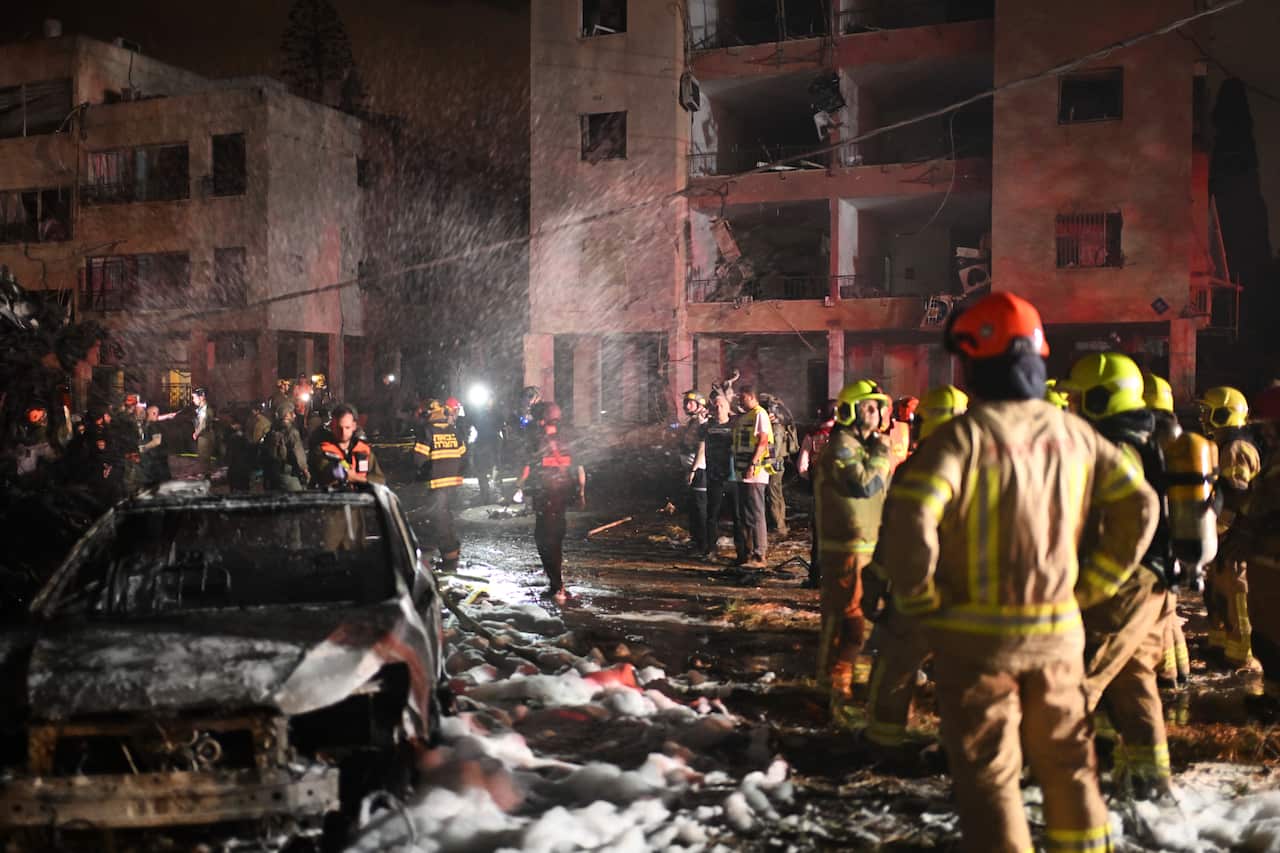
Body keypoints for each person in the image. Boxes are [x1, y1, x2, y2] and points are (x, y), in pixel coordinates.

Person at [871, 292, 1157, 853]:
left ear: (973, 362)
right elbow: (1141, 506)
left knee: (990, 776)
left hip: (978, 645)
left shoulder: (962, 437)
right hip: (1059, 635)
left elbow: (912, 516)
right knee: (1071, 764)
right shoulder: (1076, 433)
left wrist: (921, 599)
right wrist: (1095, 584)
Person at [1061, 352, 1177, 799]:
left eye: (1079, 398)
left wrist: (1097, 582)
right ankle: (1152, 781)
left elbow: (1136, 516)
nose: (1072, 407)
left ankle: (1055, 782)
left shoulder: (1116, 448)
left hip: (1125, 585)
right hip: (1151, 581)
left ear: (1101, 399)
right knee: (1133, 681)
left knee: (1075, 680)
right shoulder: (1143, 438)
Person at [862, 384, 967, 750]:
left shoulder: (918, 469)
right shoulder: (987, 467)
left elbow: (898, 532)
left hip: (921, 587)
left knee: (895, 664)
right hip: (971, 591)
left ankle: (883, 743)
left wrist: (876, 579)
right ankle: (955, 749)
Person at [813, 379, 893, 722]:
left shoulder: (864, 445)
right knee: (845, 618)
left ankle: (845, 679)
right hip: (846, 546)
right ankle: (832, 685)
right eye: (869, 407)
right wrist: (883, 454)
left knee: (860, 617)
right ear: (850, 411)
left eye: (878, 407)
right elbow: (865, 485)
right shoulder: (842, 446)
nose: (877, 413)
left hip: (867, 544)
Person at [1200, 385, 1260, 669]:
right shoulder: (1224, 446)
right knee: (1217, 590)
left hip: (1236, 534)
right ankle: (1220, 644)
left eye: (1208, 412)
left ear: (1224, 414)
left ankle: (1241, 655)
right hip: (1228, 533)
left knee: (1236, 591)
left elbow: (1236, 494)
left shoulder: (1235, 448)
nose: (1203, 417)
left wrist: (1219, 530)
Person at [517, 402, 585, 601]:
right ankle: (557, 583)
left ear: (541, 419)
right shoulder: (568, 438)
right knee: (556, 539)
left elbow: (527, 468)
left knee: (544, 540)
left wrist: (518, 486)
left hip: (545, 497)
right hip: (561, 498)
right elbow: (580, 469)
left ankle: (557, 585)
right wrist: (581, 494)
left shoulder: (536, 439)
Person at [414, 398, 467, 573]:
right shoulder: (454, 431)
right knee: (446, 518)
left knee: (438, 520)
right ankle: (451, 556)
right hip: (453, 484)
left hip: (437, 484)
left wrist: (422, 475)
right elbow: (464, 457)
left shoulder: (427, 431)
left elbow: (419, 459)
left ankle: (448, 560)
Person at [697, 389, 744, 563]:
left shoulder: (736, 424)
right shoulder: (707, 427)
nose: (718, 409)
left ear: (728, 406)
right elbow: (698, 441)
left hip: (734, 477)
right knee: (712, 515)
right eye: (715, 406)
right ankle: (711, 550)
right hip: (715, 477)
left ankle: (742, 552)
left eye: (721, 406)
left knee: (738, 516)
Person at [730, 384, 773, 568]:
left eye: (742, 398)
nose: (740, 401)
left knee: (755, 513)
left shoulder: (759, 414)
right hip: (742, 471)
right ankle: (747, 554)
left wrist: (753, 464)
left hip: (755, 472)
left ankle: (759, 554)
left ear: (750, 396)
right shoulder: (745, 416)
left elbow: (763, 440)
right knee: (745, 514)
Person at [798, 399, 837, 588]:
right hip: (841, 488)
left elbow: (802, 467)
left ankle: (816, 576)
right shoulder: (845, 434)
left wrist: (813, 480)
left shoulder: (812, 435)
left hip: (819, 487)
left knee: (819, 532)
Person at [310, 404, 385, 488]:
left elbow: (379, 480)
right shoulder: (322, 451)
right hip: (332, 495)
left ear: (354, 426)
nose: (343, 432)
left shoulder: (364, 451)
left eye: (347, 427)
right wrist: (345, 474)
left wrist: (355, 478)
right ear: (332, 426)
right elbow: (326, 473)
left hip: (360, 495)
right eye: (339, 428)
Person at [761, 394, 797, 538]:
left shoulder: (776, 426)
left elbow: (773, 448)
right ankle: (779, 523)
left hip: (773, 462)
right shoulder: (781, 423)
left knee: (773, 493)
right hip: (777, 461)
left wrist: (766, 460)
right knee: (776, 493)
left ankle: (778, 526)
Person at [679, 390, 710, 555]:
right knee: (692, 508)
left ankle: (703, 545)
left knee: (700, 508)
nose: (686, 405)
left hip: (699, 470)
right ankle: (696, 542)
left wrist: (693, 469)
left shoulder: (702, 421)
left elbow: (701, 447)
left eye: (690, 402)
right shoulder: (693, 421)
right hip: (690, 469)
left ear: (700, 404)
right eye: (685, 402)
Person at [263, 407, 310, 492]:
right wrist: (305, 470)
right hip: (288, 474)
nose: (294, 415)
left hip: (273, 474)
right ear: (286, 415)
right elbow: (298, 453)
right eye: (292, 413)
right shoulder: (292, 432)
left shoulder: (272, 431)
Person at [139, 404, 171, 486]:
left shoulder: (153, 425)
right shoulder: (150, 424)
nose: (155, 415)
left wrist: (143, 448)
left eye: (156, 413)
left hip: (156, 461)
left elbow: (157, 441)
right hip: (158, 460)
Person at [191, 388, 217, 478]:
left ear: (201, 397)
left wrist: (196, 433)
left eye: (194, 397)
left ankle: (206, 478)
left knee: (204, 458)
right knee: (204, 458)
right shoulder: (202, 409)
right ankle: (206, 476)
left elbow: (203, 424)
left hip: (205, 436)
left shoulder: (204, 410)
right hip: (205, 436)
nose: (193, 400)